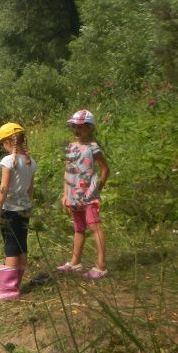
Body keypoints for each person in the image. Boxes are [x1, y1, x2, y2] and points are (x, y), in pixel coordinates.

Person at [57, 109, 110, 279]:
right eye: (73, 126)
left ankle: (101, 266)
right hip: (74, 194)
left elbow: (105, 169)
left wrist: (97, 188)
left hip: (88, 195)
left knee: (94, 226)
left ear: (90, 128)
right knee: (78, 228)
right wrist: (65, 194)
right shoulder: (71, 147)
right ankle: (75, 262)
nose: (76, 130)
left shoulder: (93, 147)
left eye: (80, 126)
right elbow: (68, 170)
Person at [0, 122, 36, 301]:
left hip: (10, 211)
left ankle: (8, 291)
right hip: (25, 209)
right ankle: (16, 285)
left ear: (9, 141)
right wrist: (28, 206)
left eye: (2, 143)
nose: (2, 146)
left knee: (10, 247)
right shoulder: (31, 162)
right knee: (22, 246)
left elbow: (4, 188)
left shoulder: (8, 161)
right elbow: (30, 189)